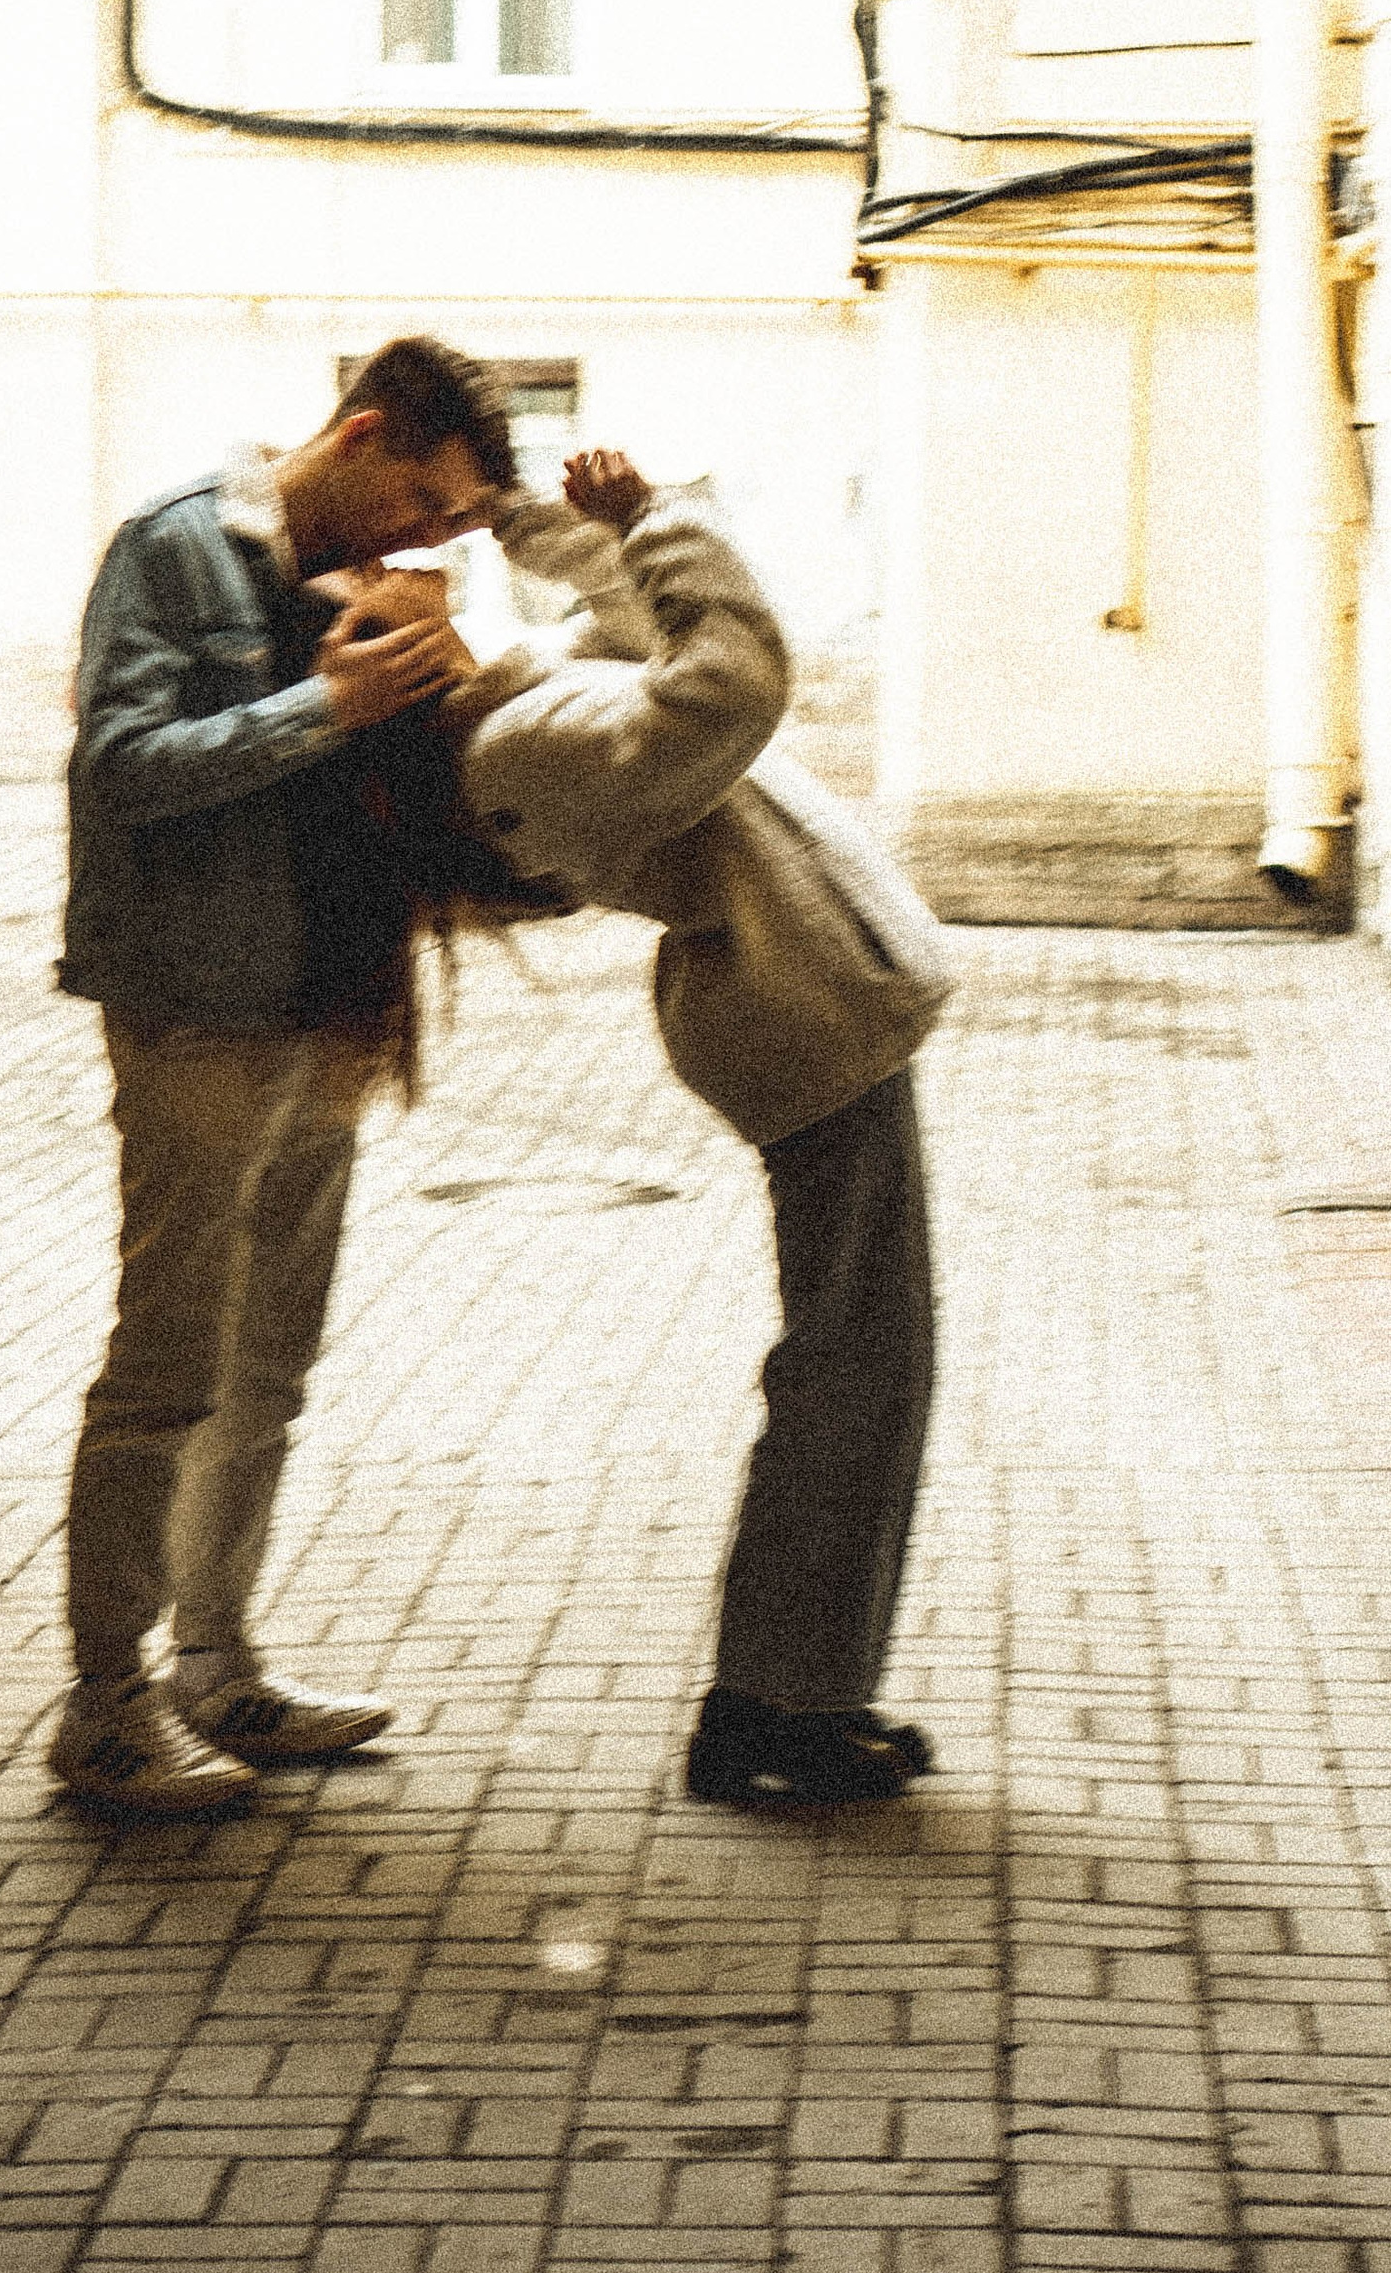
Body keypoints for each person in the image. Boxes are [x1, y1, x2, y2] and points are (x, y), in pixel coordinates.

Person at [357, 444, 954, 1806]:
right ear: (385, 672)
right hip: (804, 1021)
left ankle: (799, 1693)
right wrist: (659, 520)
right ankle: (773, 1709)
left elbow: (632, 629)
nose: (403, 572)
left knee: (863, 1360)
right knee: (852, 1367)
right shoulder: (518, 746)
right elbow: (727, 683)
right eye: (369, 599)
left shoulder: (513, 698)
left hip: (811, 1009)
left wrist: (534, 521)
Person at [49, 337, 515, 1816]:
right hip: (197, 1011)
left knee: (269, 1365)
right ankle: (104, 1709)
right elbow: (123, 766)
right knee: (167, 1365)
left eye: (452, 523)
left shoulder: (367, 580)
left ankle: (216, 1665)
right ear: (362, 436)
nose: (430, 536)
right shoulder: (176, 546)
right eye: (425, 502)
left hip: (330, 1014)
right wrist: (327, 707)